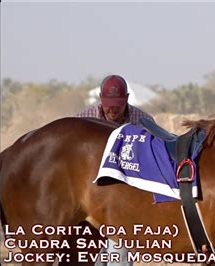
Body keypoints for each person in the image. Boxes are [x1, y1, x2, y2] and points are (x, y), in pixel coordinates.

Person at [77, 74, 155, 266]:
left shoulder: (144, 122)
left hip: (122, 203)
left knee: (119, 258)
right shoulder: (82, 121)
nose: (113, 109)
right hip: (89, 200)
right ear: (100, 99)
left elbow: (154, 159)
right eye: (108, 103)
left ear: (127, 99)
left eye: (118, 103)